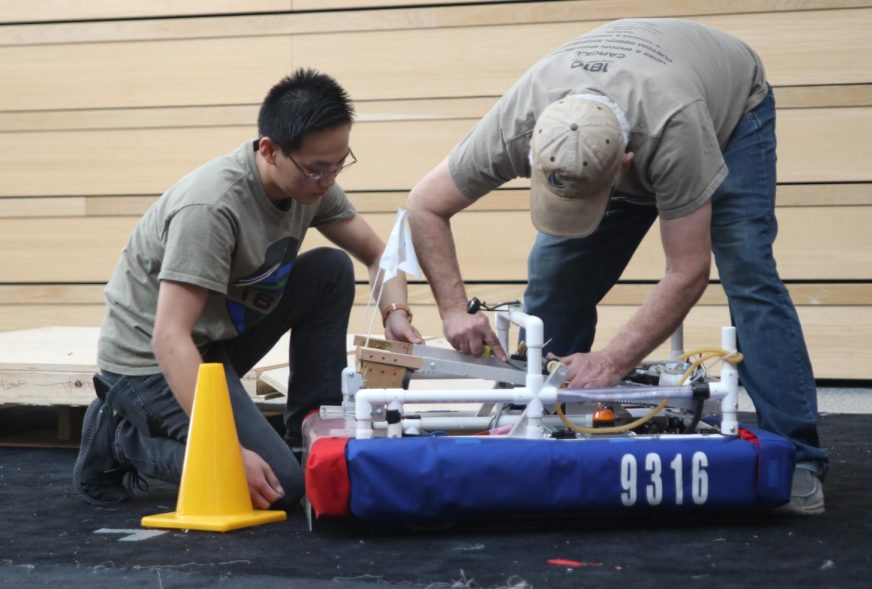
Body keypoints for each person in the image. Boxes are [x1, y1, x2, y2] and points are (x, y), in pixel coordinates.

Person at [406, 19, 827, 514]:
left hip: (729, 111)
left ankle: (798, 456)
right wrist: (453, 310)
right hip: (631, 105)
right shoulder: (520, 120)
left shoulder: (676, 133)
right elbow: (424, 205)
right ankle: (538, 421)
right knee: (554, 274)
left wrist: (612, 361)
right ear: (532, 153)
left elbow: (687, 271)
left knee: (748, 274)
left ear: (624, 165)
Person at [74, 68, 423, 510]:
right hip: (148, 362)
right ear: (269, 150)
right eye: (318, 169)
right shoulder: (211, 208)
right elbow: (168, 337)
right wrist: (226, 453)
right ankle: (120, 439)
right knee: (279, 485)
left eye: (339, 164)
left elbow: (380, 255)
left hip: (212, 343)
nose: (330, 180)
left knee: (330, 269)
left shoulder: (311, 185)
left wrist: (396, 314)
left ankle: (308, 434)